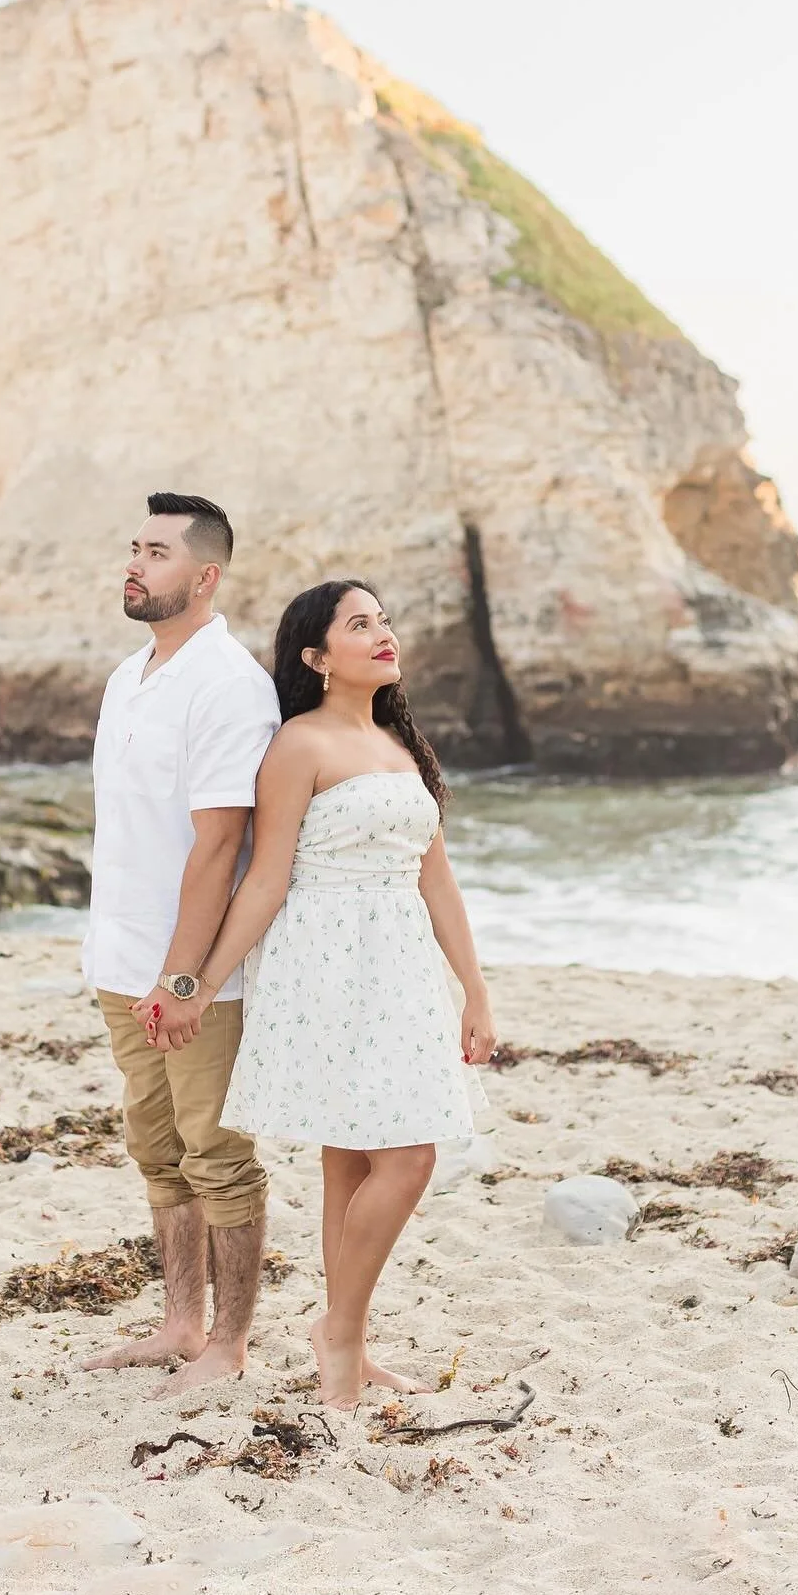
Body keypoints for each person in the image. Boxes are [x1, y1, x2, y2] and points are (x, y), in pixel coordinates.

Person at [153, 578, 497, 1410]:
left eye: (385, 618)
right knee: (405, 1154)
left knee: (361, 1154)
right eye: (360, 624)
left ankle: (345, 1332)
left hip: (402, 964)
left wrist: (475, 990)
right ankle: (339, 1335)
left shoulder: (402, 745)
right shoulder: (299, 745)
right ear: (316, 656)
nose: (384, 634)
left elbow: (436, 877)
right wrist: (198, 980)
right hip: (325, 965)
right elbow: (265, 880)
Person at [80, 492, 280, 1395]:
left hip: (195, 973)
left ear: (205, 576)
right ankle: (180, 1323)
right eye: (133, 547)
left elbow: (220, 844)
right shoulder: (131, 676)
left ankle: (231, 1342)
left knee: (216, 1153)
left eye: (156, 552)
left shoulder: (229, 683)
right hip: (119, 960)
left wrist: (187, 976)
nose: (135, 563)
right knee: (156, 1147)